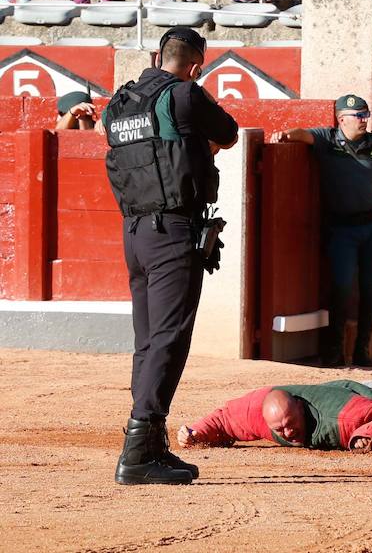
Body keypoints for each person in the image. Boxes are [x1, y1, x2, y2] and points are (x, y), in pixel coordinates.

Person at [102, 27, 239, 485]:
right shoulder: (184, 95)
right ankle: (139, 453)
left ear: (157, 55)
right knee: (168, 338)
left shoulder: (119, 103)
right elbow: (230, 133)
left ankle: (149, 441)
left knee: (149, 339)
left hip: (134, 233)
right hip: (173, 230)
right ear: (196, 66)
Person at [270, 95, 372, 368]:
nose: (364, 120)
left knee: (370, 288)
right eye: (359, 116)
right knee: (341, 289)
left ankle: (362, 350)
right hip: (342, 228)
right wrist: (285, 135)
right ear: (342, 119)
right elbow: (303, 135)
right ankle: (334, 351)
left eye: (366, 115)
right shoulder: (327, 139)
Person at [176, 380, 372, 452]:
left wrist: (365, 434)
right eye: (279, 430)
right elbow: (224, 419)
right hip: (341, 391)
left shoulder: (344, 419)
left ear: (300, 407)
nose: (288, 434)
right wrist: (193, 434)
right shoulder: (256, 410)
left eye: (290, 424)